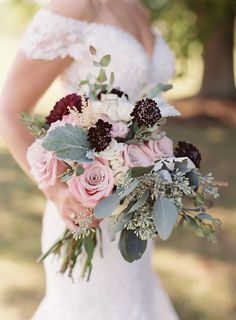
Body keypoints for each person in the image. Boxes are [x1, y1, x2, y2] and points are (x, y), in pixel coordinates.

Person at [0, 0, 178, 319]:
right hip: (85, 211)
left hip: (134, 214)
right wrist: (57, 190)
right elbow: (9, 110)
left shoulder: (139, 8)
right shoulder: (76, 7)